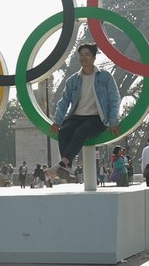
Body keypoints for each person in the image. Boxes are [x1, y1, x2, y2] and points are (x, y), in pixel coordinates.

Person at [50, 43, 121, 179]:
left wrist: (113, 121)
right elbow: (64, 102)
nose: (83, 57)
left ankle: (63, 164)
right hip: (77, 117)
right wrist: (58, 121)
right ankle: (66, 167)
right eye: (81, 55)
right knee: (64, 131)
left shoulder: (105, 77)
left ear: (94, 58)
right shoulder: (72, 81)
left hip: (97, 118)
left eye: (87, 54)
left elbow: (114, 99)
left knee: (80, 132)